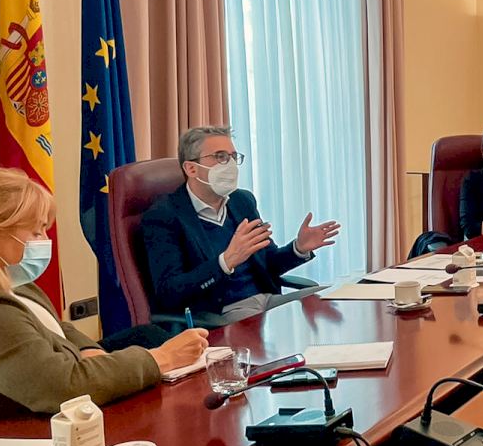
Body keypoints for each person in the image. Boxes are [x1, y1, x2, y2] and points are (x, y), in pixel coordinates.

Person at [0, 170, 208, 416]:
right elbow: (64, 386)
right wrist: (161, 359)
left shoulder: (2, 279)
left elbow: (52, 326)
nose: (44, 240)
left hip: (55, 378)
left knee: (146, 334)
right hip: (28, 430)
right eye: (36, 231)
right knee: (157, 358)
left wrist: (86, 348)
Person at [141, 126, 340, 322]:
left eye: (233, 157)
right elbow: (169, 292)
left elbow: (269, 263)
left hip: (268, 301)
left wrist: (298, 248)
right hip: (223, 313)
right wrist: (225, 262)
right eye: (220, 157)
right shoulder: (164, 216)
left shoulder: (241, 201)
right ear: (191, 168)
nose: (229, 165)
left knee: (335, 297)